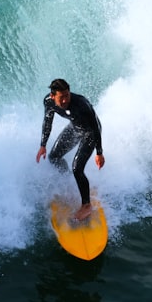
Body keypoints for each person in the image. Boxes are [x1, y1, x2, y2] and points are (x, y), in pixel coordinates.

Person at [36, 78, 105, 220]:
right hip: (75, 128)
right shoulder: (49, 102)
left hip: (90, 133)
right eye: (61, 97)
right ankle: (69, 182)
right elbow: (47, 122)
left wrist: (99, 152)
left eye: (67, 95)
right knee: (54, 157)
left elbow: (95, 127)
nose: (65, 100)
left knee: (77, 168)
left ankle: (86, 206)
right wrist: (43, 145)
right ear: (53, 96)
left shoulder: (81, 104)